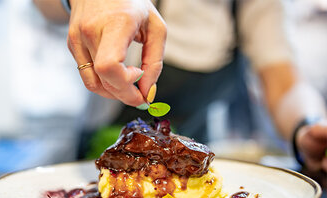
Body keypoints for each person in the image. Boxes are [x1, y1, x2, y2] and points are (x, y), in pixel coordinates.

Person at [34, 0, 327, 173]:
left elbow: (284, 82)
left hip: (193, 162)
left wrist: (308, 127)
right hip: (101, 153)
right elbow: (45, 7)